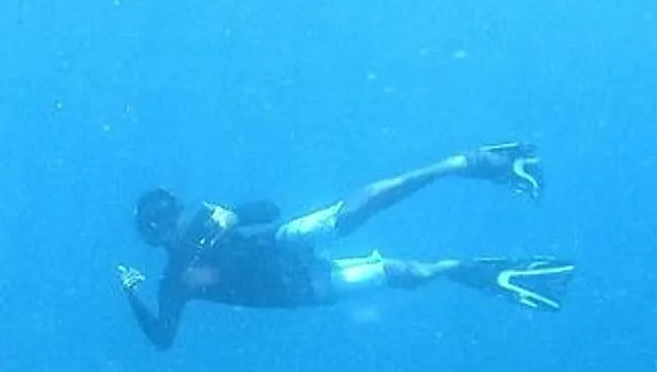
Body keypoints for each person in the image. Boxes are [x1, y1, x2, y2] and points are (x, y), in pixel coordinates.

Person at [116, 143, 575, 351]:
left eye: (169, 215)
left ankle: (459, 164)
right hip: (298, 289)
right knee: (396, 273)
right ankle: (467, 269)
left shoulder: (205, 220)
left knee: (357, 208)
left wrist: (237, 213)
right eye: (158, 226)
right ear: (151, 238)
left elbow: (269, 209)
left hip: (283, 246)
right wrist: (132, 294)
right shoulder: (172, 282)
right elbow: (163, 339)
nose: (169, 226)